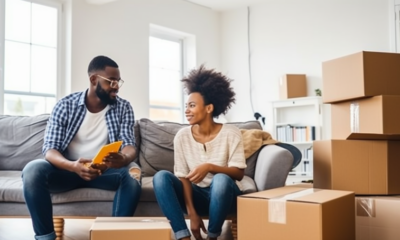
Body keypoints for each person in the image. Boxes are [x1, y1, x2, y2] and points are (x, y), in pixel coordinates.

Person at [22, 56, 141, 240]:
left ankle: (115, 236)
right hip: (68, 171)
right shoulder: (65, 105)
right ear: (94, 80)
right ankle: (45, 237)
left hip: (104, 171)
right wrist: (73, 166)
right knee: (32, 170)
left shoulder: (123, 107)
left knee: (133, 172)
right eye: (111, 81)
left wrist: (124, 159)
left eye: (118, 81)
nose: (116, 86)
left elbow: (129, 145)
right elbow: (50, 150)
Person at [153, 65, 246, 240]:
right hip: (196, 194)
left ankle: (212, 236)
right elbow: (183, 177)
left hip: (224, 194)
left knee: (220, 179)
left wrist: (209, 167)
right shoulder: (182, 136)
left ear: (209, 108)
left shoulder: (231, 132)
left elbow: (239, 174)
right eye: (186, 105)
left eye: (192, 105)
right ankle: (183, 236)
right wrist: (192, 214)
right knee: (161, 177)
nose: (187, 110)